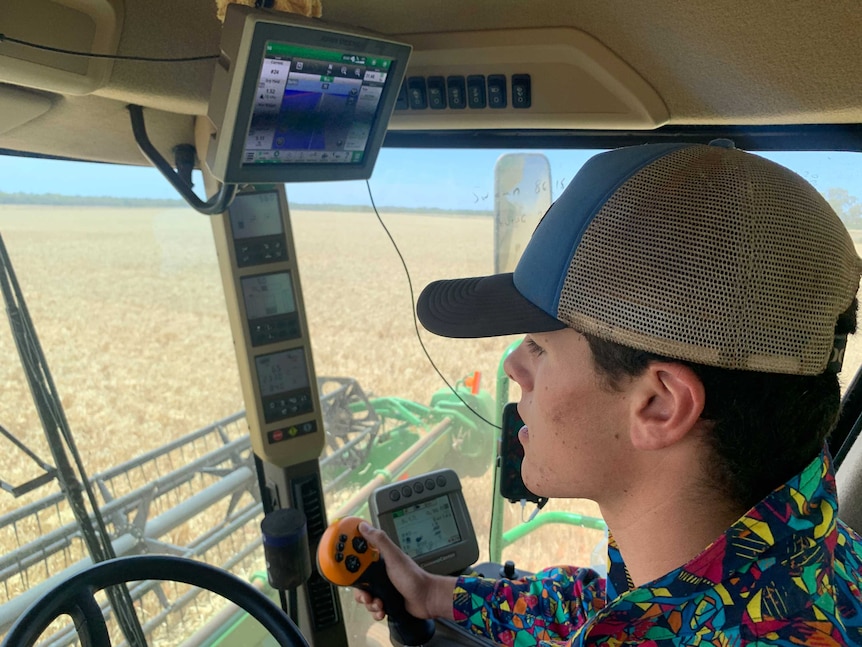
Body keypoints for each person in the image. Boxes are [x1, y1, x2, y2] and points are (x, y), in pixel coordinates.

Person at [354, 141, 862, 645]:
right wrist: (435, 593)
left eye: (539, 346)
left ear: (660, 405)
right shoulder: (795, 546)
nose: (514, 365)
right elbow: (614, 605)